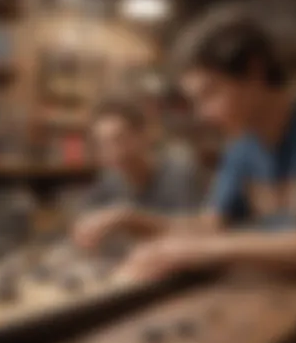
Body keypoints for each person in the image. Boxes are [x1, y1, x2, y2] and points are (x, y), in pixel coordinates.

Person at [116, 8, 296, 282]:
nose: (202, 114)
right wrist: (130, 218)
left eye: (210, 93)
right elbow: (209, 226)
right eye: (195, 101)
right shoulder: (242, 147)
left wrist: (211, 249)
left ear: (254, 70)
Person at [73, 99, 203, 249]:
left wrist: (126, 217)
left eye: (120, 139)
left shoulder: (181, 175)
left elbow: (195, 236)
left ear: (144, 136)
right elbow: (83, 220)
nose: (112, 153)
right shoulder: (110, 179)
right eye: (103, 144)